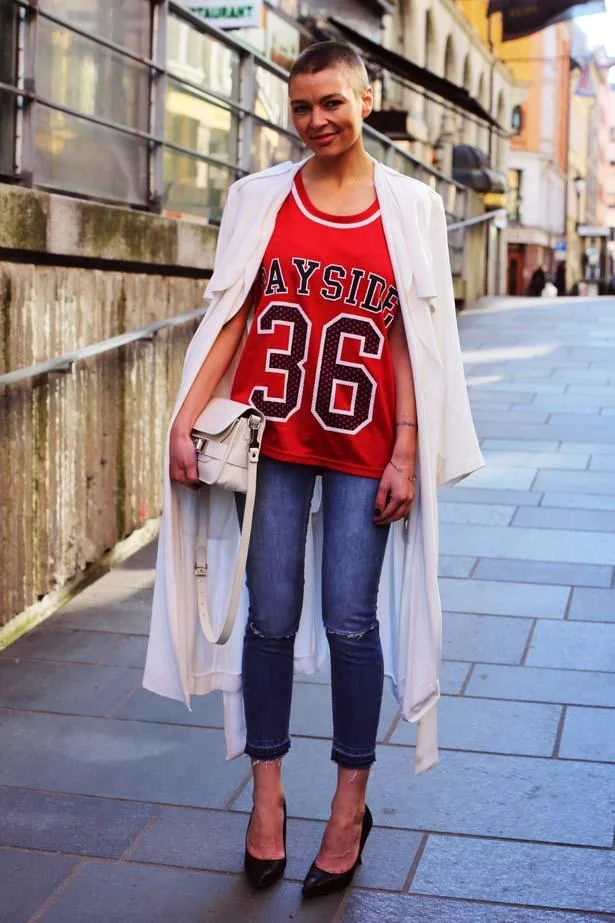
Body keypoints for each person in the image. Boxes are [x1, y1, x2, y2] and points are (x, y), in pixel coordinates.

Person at [143, 41, 483, 898]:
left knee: (350, 622)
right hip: (270, 443)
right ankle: (266, 802)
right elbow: (233, 311)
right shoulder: (258, 197)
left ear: (366, 99)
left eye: (331, 102)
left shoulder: (409, 207)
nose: (316, 121)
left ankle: (346, 807)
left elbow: (410, 333)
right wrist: (183, 420)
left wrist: (407, 448)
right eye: (300, 107)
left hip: (364, 447)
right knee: (268, 619)